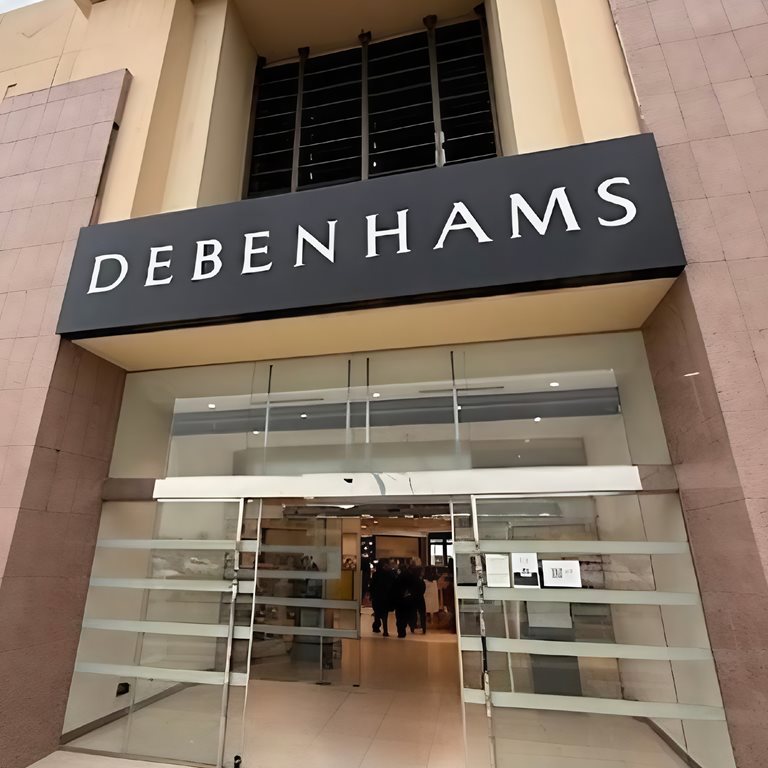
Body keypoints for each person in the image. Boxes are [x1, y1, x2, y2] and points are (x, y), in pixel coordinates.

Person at [394, 559, 422, 638]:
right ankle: (409, 626)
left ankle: (401, 630)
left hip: (401, 598)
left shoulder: (401, 576)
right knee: (409, 613)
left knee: (400, 616)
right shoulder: (413, 576)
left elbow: (396, 586)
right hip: (409, 598)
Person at [369, 560, 396, 636]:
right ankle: (385, 630)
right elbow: (392, 585)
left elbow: (372, 586)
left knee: (377, 613)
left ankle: (376, 626)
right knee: (385, 614)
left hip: (377, 597)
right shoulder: (389, 574)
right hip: (386, 597)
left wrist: (371, 595)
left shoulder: (375, 574)